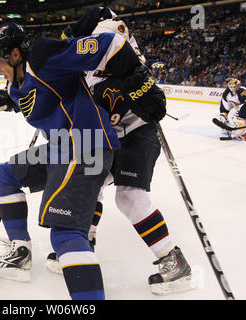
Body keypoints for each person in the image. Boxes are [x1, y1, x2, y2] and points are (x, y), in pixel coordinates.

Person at [0, 21, 159, 299]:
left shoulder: (43, 56)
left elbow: (110, 43)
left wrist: (138, 78)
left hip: (88, 143)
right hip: (62, 148)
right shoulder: (18, 80)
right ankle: (21, 251)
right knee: (4, 175)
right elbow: (40, 95)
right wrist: (5, 101)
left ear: (16, 54)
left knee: (65, 233)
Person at [45, 7, 193, 296]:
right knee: (91, 184)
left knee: (129, 196)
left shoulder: (109, 32)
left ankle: (173, 260)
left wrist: (142, 89)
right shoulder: (84, 55)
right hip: (109, 134)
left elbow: (121, 54)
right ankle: (85, 240)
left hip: (137, 130)